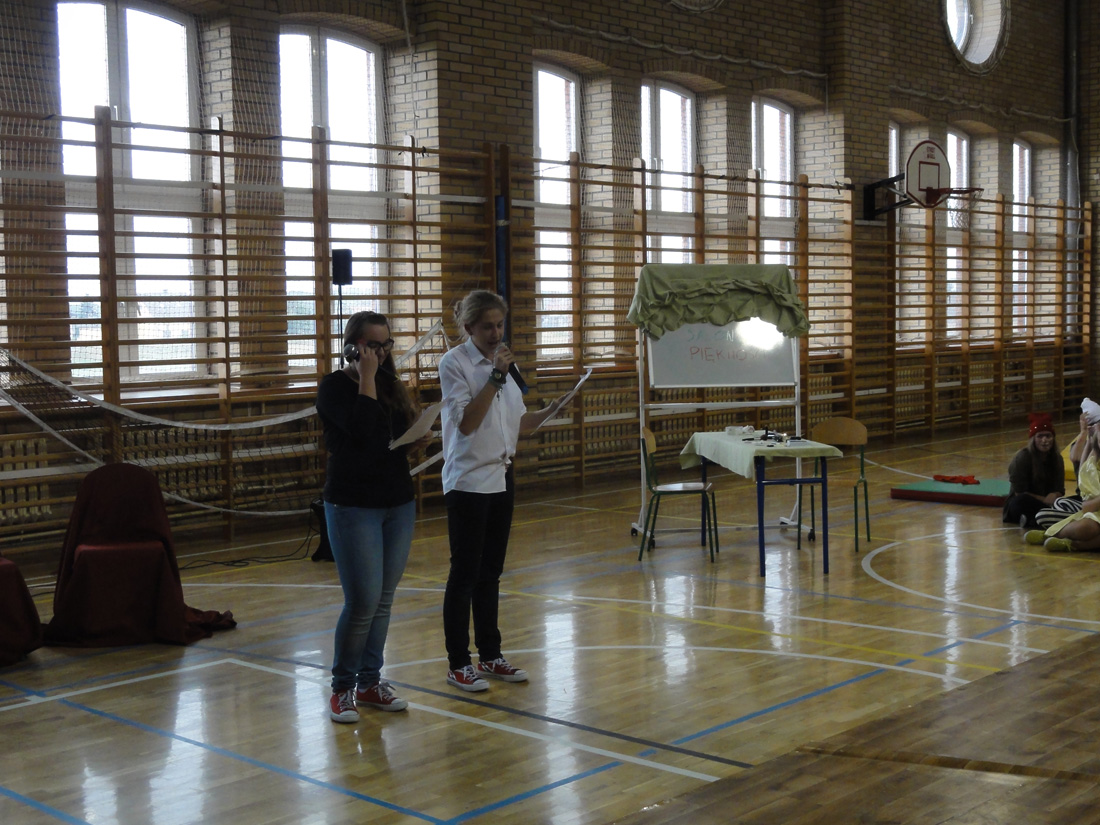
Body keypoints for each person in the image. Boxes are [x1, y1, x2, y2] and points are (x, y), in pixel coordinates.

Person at [438, 290, 567, 692]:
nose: (496, 333)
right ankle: (458, 662)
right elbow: (466, 424)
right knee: (464, 573)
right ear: (468, 328)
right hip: (468, 481)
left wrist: (549, 412)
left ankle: (490, 654)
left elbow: (516, 423)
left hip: (501, 477)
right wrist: (495, 376)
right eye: (487, 327)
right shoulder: (454, 363)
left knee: (490, 572)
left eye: (499, 325)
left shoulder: (505, 365)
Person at [316, 310, 430, 723]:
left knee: (382, 600)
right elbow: (362, 434)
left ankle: (369, 681)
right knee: (362, 601)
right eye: (372, 345)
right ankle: (342, 688)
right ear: (353, 346)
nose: (380, 353)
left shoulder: (390, 385)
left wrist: (417, 439)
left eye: (386, 345)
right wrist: (365, 377)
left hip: (396, 501)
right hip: (353, 505)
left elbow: (389, 443)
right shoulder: (334, 387)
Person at [1026, 398, 1100, 552]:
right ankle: (1054, 534)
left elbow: (1089, 506)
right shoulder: (1092, 452)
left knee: (1087, 527)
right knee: (1052, 509)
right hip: (1088, 506)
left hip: (1092, 508)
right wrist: (1085, 434)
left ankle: (1069, 542)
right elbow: (1079, 463)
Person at [1002, 413, 1064, 529]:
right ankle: (1041, 518)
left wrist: (1055, 494)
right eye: (1040, 436)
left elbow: (1060, 489)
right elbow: (1019, 492)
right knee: (1021, 501)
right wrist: (1045, 499)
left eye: (1048, 436)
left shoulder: (1057, 459)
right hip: (1024, 502)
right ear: (1033, 439)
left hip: (1048, 503)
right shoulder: (1022, 458)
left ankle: (1036, 519)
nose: (1044, 440)